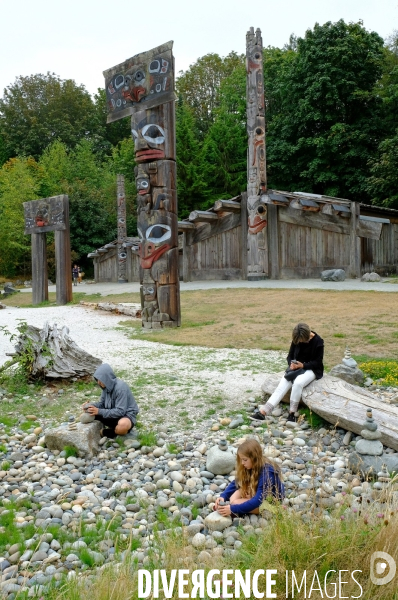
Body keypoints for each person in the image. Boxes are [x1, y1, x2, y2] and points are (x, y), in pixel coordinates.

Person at [252, 322, 324, 423]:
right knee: (282, 385)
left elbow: (318, 362)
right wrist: (291, 364)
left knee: (298, 382)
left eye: (302, 341)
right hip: (296, 368)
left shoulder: (318, 342)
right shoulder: (296, 339)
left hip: (311, 369)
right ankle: (263, 412)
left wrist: (303, 365)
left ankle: (292, 412)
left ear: (307, 336)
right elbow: (290, 356)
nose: (300, 342)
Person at [214, 439, 284, 517]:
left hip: (270, 499)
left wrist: (232, 509)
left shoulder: (267, 473)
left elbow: (258, 500)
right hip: (258, 492)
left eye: (245, 460)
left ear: (254, 458)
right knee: (234, 497)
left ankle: (275, 509)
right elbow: (236, 482)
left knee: (235, 503)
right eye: (241, 460)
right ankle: (244, 504)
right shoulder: (250, 466)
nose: (242, 463)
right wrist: (223, 496)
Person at [83, 363, 139, 438]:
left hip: (125, 415)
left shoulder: (120, 388)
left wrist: (99, 411)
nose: (98, 382)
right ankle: (112, 429)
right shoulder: (105, 388)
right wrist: (90, 406)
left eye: (101, 380)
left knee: (123, 425)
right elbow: (102, 404)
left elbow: (120, 411)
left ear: (107, 378)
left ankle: (110, 432)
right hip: (111, 414)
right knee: (88, 413)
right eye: (97, 380)